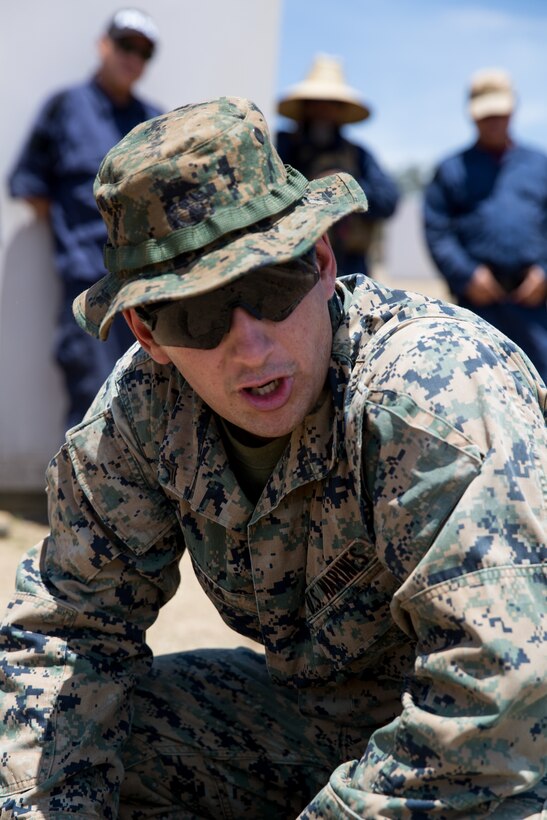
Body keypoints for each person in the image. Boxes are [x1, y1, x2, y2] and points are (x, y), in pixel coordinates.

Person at [0, 96, 545, 819]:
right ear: (147, 331)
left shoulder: (435, 394)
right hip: (325, 720)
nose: (251, 347)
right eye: (198, 312)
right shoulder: (142, 415)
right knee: (70, 734)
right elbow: (70, 629)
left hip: (515, 745)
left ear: (321, 262)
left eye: (268, 286)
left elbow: (500, 695)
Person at [8, 7, 162, 430]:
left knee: (151, 403)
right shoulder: (65, 108)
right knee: (93, 401)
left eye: (144, 52)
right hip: (89, 290)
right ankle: (76, 499)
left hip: (149, 289)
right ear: (103, 45)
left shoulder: (155, 121)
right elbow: (30, 184)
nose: (133, 57)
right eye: (125, 45)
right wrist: (81, 238)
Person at [424, 67, 547, 383]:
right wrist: (467, 275)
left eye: (500, 113)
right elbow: (437, 230)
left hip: (535, 303)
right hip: (477, 303)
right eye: (485, 114)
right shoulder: (452, 170)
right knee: (477, 384)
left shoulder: (539, 166)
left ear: (512, 110)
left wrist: (543, 272)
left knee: (538, 384)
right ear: (472, 116)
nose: (493, 121)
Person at [276, 53, 399, 277]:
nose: (323, 110)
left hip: (349, 267)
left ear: (340, 110)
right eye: (316, 103)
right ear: (305, 106)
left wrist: (345, 184)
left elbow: (388, 200)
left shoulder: (358, 155)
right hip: (289, 261)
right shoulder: (281, 147)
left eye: (331, 104)